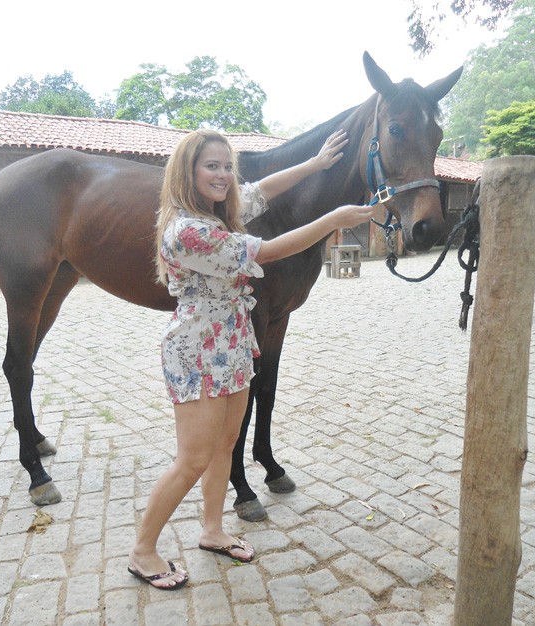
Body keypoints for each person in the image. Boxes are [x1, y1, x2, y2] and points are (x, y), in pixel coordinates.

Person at [128, 128, 378, 590]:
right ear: (189, 171)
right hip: (199, 352)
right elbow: (267, 250)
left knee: (225, 445)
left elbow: (260, 191)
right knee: (192, 459)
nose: (224, 176)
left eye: (228, 166)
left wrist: (315, 164)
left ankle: (213, 529)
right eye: (212, 166)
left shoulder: (215, 213)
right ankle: (143, 551)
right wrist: (332, 218)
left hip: (235, 344)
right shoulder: (189, 231)